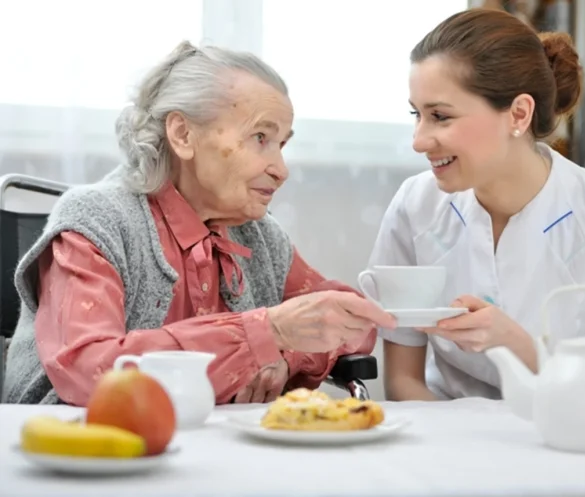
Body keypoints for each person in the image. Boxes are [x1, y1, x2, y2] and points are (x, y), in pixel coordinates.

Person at [3, 41, 396, 406]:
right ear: (183, 134)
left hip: (210, 455)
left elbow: (354, 322)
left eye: (282, 145)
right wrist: (265, 333)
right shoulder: (96, 221)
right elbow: (91, 368)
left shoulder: (259, 235)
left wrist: (285, 353)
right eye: (260, 137)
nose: (281, 170)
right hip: (79, 451)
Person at [369, 8, 585, 401]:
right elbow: (405, 383)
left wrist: (513, 342)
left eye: (439, 116)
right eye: (416, 114)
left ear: (518, 114)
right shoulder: (415, 205)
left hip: (567, 438)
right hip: (442, 436)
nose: (419, 140)